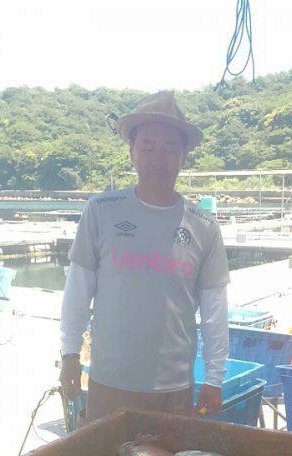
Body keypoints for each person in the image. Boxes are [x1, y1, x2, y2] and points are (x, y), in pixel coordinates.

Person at [60, 90, 229, 421]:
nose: (157, 157)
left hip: (174, 388)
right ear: (132, 151)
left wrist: (214, 378)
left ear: (183, 157)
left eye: (170, 148)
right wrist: (69, 354)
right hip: (109, 381)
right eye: (147, 146)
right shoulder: (100, 212)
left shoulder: (204, 226)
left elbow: (214, 312)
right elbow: (77, 293)